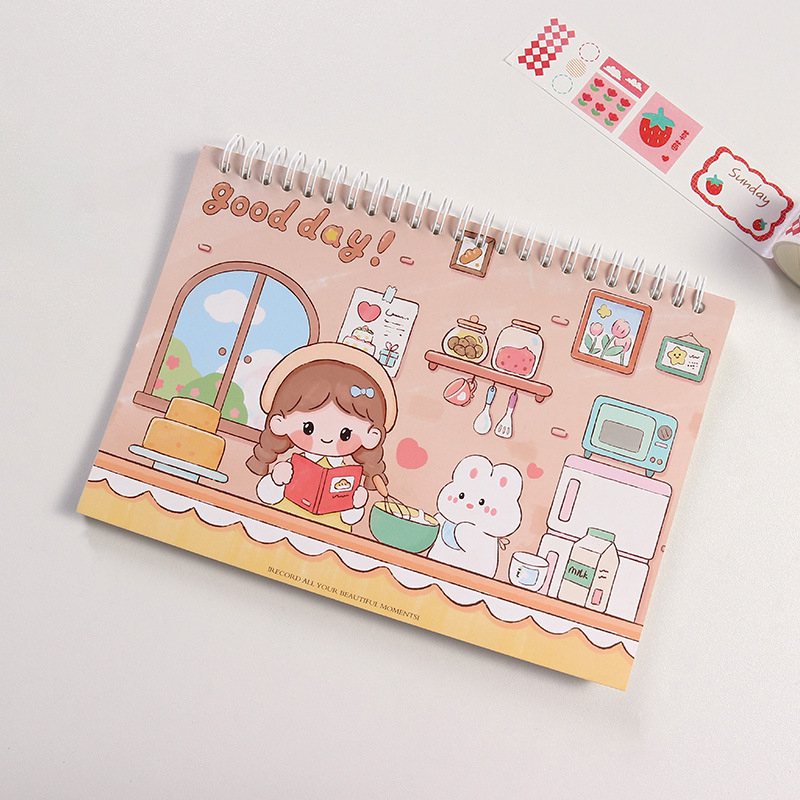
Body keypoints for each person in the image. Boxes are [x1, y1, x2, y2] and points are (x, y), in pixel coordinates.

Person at [246, 342, 397, 531]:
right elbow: (266, 497)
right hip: (283, 527)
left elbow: (349, 519)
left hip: (331, 536)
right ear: (280, 422)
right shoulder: (293, 465)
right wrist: (276, 481)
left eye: (345, 434)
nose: (327, 438)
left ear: (371, 436)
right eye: (308, 428)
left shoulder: (348, 476)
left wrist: (356, 505)